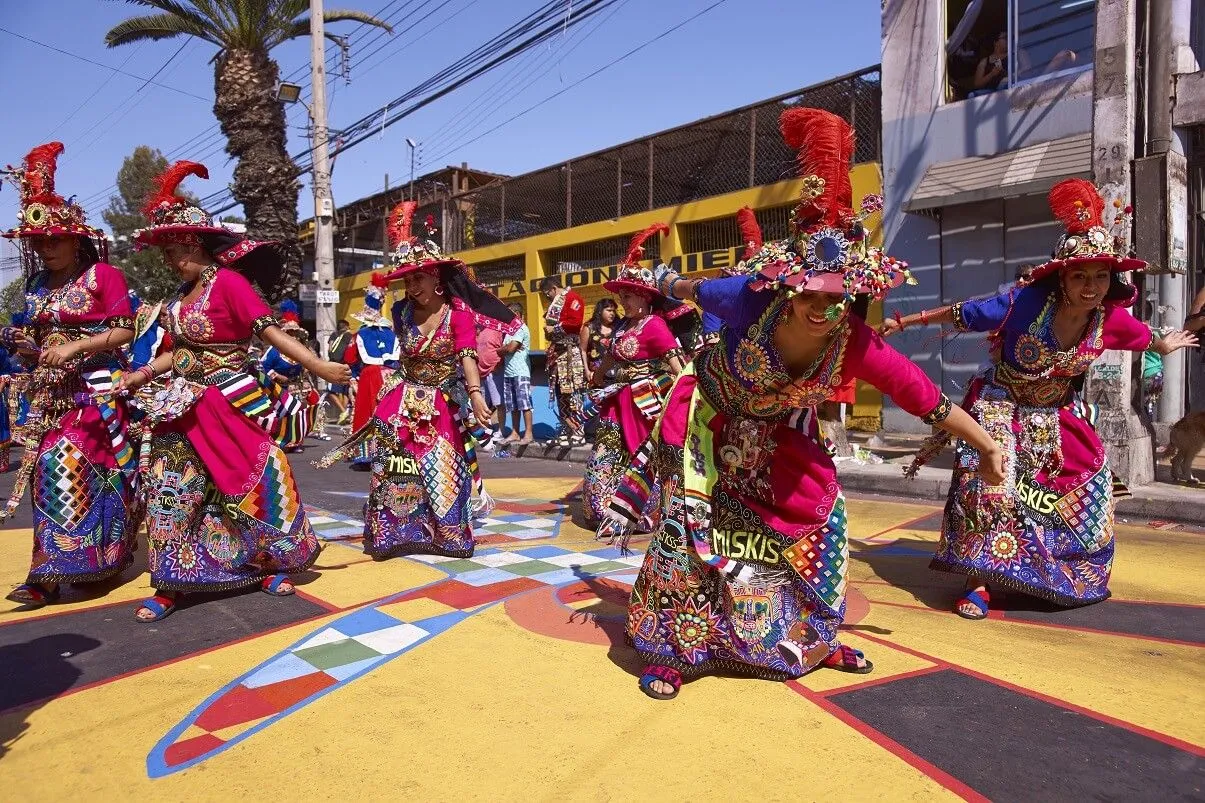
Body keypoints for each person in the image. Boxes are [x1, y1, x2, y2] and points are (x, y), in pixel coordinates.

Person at [599, 109, 1005, 700]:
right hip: (708, 426)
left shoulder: (855, 345)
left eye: (840, 297)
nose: (823, 308)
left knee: (820, 523)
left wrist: (989, 445)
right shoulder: (745, 296)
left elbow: (930, 402)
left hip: (781, 437)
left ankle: (809, 634)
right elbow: (689, 289)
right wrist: (655, 276)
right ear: (787, 286)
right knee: (688, 533)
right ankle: (673, 647)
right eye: (811, 293)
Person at [884, 178, 1198, 619]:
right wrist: (907, 321)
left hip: (1056, 409)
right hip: (1002, 402)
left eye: (1100, 277)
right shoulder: (1025, 302)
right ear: (1061, 278)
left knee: (1089, 481)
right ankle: (978, 581)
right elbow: (967, 312)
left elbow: (1146, 339)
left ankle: (1050, 568)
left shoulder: (1109, 320)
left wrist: (1167, 344)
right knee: (989, 485)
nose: (1091, 286)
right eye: (1080, 276)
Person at [116, 160, 350, 623]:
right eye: (165, 251)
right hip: (179, 406)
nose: (168, 258)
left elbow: (272, 335)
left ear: (195, 244)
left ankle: (266, 562)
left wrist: (319, 364)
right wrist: (140, 375)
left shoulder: (230, 283)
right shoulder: (179, 298)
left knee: (253, 482)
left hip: (231, 401)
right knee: (173, 490)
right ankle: (171, 582)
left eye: (174, 249)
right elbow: (175, 352)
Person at [319, 202, 517, 559]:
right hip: (402, 398)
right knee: (396, 467)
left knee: (443, 466)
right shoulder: (400, 312)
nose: (411, 286)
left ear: (437, 279)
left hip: (442, 401)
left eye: (418, 278)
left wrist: (474, 394)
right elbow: (406, 357)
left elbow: (467, 355)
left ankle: (447, 535)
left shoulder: (456, 315)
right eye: (407, 280)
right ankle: (393, 534)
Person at [0, 142, 139, 607]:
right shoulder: (36, 286)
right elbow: (38, 348)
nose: (47, 248)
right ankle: (46, 571)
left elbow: (124, 331)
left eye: (54, 239)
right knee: (48, 474)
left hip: (98, 395)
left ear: (76, 239)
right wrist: (26, 349)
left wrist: (79, 344)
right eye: (40, 241)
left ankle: (103, 559)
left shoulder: (104, 277)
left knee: (94, 472)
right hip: (51, 399)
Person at [576, 224, 685, 528]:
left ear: (644, 297)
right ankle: (601, 507)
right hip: (616, 400)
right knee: (605, 452)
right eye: (622, 296)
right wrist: (596, 379)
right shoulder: (624, 326)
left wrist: (683, 398)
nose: (622, 302)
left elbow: (677, 366)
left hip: (644, 403)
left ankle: (642, 510)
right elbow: (610, 356)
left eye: (628, 296)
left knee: (642, 454)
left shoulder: (655, 326)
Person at [343, 273, 400, 470]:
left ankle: (367, 455)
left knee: (367, 413)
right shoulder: (391, 333)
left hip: (370, 376)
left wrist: (354, 377)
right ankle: (390, 453)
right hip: (391, 375)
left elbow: (350, 358)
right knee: (390, 413)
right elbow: (396, 358)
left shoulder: (360, 333)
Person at [261, 299, 324, 449]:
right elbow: (263, 365)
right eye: (289, 332)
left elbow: (311, 361)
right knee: (285, 415)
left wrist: (308, 367)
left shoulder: (302, 348)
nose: (293, 335)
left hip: (298, 384)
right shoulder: (274, 350)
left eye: (295, 332)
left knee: (309, 404)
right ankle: (284, 440)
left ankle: (305, 435)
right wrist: (276, 375)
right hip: (279, 387)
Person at [540, 276, 587, 447]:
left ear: (553, 288)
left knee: (573, 392)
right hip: (557, 354)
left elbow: (575, 323)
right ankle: (566, 429)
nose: (548, 298)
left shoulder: (573, 298)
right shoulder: (558, 303)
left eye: (547, 294)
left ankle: (578, 431)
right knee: (561, 392)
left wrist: (555, 327)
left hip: (569, 353)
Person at [500, 302, 534, 445]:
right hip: (508, 373)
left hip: (521, 372)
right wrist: (505, 348)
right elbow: (506, 348)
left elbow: (511, 348)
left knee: (524, 403)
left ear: (517, 315)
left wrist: (503, 349)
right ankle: (515, 432)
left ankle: (528, 433)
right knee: (513, 405)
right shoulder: (509, 332)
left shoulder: (520, 328)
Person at [475, 321, 505, 451]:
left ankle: (502, 431)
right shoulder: (479, 329)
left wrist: (499, 364)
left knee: (499, 403)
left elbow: (505, 347)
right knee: (484, 404)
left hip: (494, 370)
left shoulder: (498, 328)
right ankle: (486, 430)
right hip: (479, 372)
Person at [580, 298, 620, 382]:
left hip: (618, 372)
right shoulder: (589, 328)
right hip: (596, 373)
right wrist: (586, 370)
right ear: (600, 311)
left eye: (613, 311)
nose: (612, 313)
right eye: (609, 310)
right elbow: (582, 350)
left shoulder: (619, 327)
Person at [326, 319, 354, 424]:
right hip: (346, 365)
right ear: (346, 326)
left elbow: (330, 349)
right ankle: (343, 414)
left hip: (334, 365)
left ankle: (343, 412)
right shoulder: (349, 335)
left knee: (331, 392)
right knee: (345, 391)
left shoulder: (334, 335)